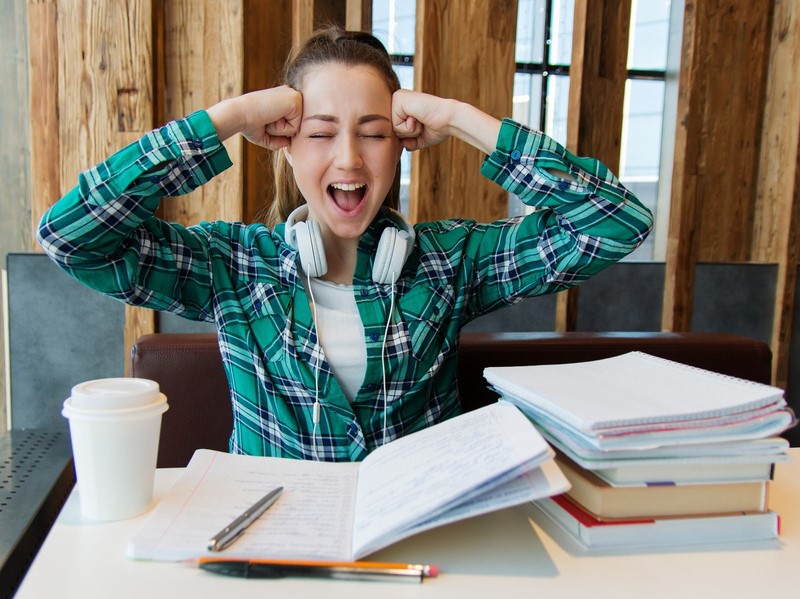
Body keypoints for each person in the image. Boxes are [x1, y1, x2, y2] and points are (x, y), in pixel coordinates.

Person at [38, 27, 653, 461]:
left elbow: (616, 221)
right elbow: (74, 237)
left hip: (423, 550)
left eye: (374, 133)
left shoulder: (449, 262)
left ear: (404, 143)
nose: (350, 158)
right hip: (277, 547)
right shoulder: (234, 267)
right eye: (321, 132)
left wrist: (463, 118)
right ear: (283, 142)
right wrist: (225, 120)